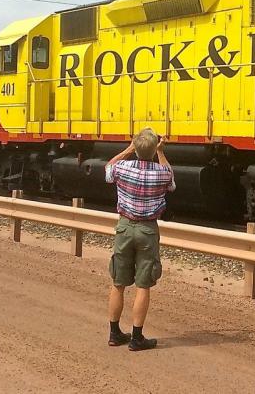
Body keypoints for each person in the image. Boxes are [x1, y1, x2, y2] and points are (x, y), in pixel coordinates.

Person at [104, 128, 176, 351]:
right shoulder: (161, 173)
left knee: (118, 283)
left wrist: (128, 149)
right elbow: (171, 181)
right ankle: (136, 338)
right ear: (154, 149)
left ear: (136, 147)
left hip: (124, 228)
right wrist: (161, 152)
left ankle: (114, 333)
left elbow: (107, 168)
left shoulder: (122, 168)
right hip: (147, 231)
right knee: (143, 286)